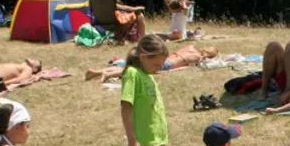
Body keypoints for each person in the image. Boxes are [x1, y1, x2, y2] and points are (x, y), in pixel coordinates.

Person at [85, 46, 219, 81]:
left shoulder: (190, 47)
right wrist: (169, 71)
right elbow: (184, 66)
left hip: (163, 58)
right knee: (136, 70)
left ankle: (96, 72)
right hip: (167, 65)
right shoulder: (197, 57)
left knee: (129, 65)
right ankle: (107, 75)